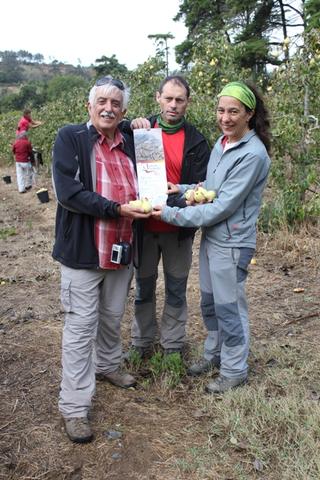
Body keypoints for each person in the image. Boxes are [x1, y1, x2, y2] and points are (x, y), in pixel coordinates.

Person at [152, 81, 271, 394]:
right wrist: (186, 189)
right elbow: (212, 186)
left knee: (229, 307)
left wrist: (168, 214)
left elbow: (221, 206)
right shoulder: (223, 144)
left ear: (249, 114)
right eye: (221, 110)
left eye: (234, 111)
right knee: (210, 303)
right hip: (212, 239)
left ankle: (234, 370)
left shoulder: (253, 154)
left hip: (232, 242)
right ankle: (214, 354)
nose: (226, 117)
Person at [51, 76, 151, 443]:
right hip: (83, 250)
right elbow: (68, 193)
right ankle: (74, 407)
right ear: (89, 106)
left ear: (123, 111)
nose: (109, 108)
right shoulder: (72, 138)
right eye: (102, 102)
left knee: (111, 317)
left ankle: (108, 365)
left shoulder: (130, 142)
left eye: (117, 104)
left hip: (120, 249)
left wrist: (141, 124)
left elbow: (151, 175)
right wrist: (116, 208)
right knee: (80, 328)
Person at [126, 75, 211, 359]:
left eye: (180, 100)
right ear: (157, 98)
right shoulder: (142, 132)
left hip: (177, 230)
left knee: (176, 288)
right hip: (144, 226)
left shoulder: (197, 142)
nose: (173, 105)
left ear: (187, 103)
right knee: (143, 288)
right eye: (169, 98)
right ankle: (141, 343)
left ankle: (172, 345)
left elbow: (202, 186)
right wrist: (131, 125)